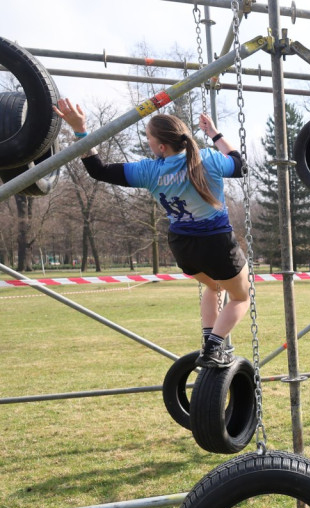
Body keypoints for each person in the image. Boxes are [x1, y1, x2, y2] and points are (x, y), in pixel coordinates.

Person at [54, 99, 248, 368]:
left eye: (148, 138)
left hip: (183, 246)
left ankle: (208, 343)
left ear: (161, 147)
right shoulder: (210, 159)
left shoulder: (149, 171)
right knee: (241, 297)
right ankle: (214, 348)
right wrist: (214, 134)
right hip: (216, 243)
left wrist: (80, 130)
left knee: (214, 286)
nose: (148, 143)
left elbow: (97, 169)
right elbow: (240, 165)